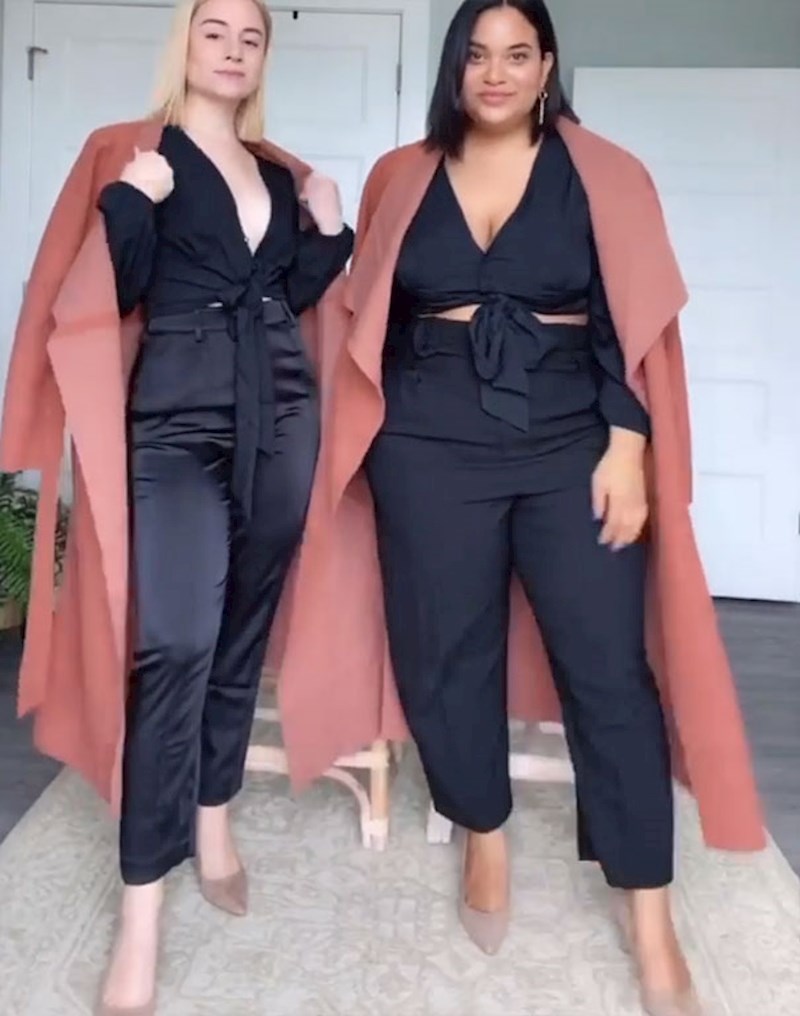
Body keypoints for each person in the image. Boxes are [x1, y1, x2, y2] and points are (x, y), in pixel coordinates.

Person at [271, 1, 764, 1014]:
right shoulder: (401, 174)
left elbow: (631, 323)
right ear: (453, 68)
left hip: (569, 434)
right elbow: (366, 314)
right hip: (425, 437)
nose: (494, 73)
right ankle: (483, 832)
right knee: (442, 651)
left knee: (608, 668)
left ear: (546, 66)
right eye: (476, 55)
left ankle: (648, 909)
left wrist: (627, 443)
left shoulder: (605, 173)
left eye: (516, 54)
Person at [0, 0, 352, 1012]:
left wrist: (330, 229)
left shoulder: (276, 174)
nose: (233, 50)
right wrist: (129, 201)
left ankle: (213, 818)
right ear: (185, 44)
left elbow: (288, 291)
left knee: (240, 633)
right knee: (177, 644)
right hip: (176, 420)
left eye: (251, 37)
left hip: (282, 413)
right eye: (215, 32)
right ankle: (142, 914)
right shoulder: (136, 153)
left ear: (263, 58)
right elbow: (112, 291)